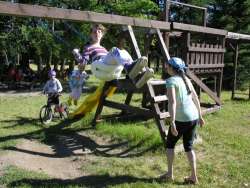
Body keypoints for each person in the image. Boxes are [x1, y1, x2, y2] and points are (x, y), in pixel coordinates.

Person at [163, 57, 205, 184]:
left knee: (170, 145)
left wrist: (173, 122)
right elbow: (195, 97)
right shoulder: (186, 78)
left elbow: (172, 102)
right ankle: (194, 177)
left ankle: (170, 175)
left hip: (182, 119)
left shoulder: (170, 81)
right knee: (189, 147)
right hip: (193, 117)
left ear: (171, 67)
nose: (166, 67)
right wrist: (200, 116)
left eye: (167, 65)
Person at [72, 23, 153, 88]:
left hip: (109, 66)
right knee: (115, 50)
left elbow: (113, 57)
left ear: (102, 34)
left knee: (124, 51)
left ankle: (139, 75)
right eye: (94, 32)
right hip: (100, 65)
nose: (97, 33)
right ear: (91, 35)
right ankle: (129, 68)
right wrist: (76, 53)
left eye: (99, 31)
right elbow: (83, 61)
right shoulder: (88, 47)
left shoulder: (103, 48)